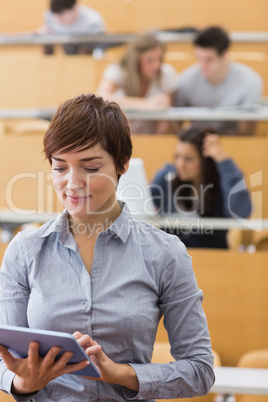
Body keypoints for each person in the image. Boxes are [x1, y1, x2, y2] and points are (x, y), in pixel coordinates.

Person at [0, 94, 214, 401]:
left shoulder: (165, 253)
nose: (72, 183)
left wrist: (122, 374)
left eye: (90, 167)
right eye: (60, 168)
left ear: (122, 164)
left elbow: (200, 370)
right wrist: (23, 383)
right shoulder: (24, 251)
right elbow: (3, 360)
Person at [150, 125, 252, 248]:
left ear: (205, 162)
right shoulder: (166, 177)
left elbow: (242, 212)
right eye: (177, 156)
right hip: (171, 258)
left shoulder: (221, 182)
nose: (180, 164)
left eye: (188, 159)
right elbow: (145, 208)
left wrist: (223, 159)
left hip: (212, 258)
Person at [174, 26, 263, 136]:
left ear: (225, 55)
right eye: (198, 58)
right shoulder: (186, 80)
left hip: (234, 144)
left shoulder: (249, 81)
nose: (202, 65)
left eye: (209, 60)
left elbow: (247, 131)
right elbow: (175, 123)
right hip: (196, 144)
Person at [97, 32, 178, 134]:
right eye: (150, 60)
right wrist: (146, 104)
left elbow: (166, 111)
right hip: (123, 131)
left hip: (152, 133)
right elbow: (102, 97)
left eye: (160, 59)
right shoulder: (118, 70)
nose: (156, 65)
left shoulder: (167, 73)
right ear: (136, 59)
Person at [39, 0, 106, 54]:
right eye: (55, 15)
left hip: (85, 56)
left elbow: (98, 49)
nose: (57, 20)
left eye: (61, 14)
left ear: (74, 8)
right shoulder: (50, 16)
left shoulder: (92, 21)